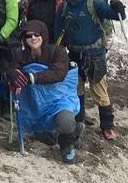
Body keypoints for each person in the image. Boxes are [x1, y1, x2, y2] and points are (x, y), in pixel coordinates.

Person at [54, 0, 126, 140]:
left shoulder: (93, 3)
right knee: (76, 89)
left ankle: (107, 126)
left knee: (99, 91)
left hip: (95, 55)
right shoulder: (64, 7)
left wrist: (118, 8)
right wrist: (57, 49)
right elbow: (58, 29)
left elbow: (115, 15)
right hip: (74, 54)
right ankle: (78, 121)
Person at [6, 20, 84, 164]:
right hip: (37, 104)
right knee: (45, 138)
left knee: (65, 123)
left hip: (60, 99)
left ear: (44, 35)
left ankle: (67, 143)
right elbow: (13, 69)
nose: (33, 38)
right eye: (29, 36)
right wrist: (12, 74)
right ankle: (72, 131)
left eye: (37, 34)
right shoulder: (21, 55)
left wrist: (33, 77)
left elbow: (58, 74)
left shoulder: (57, 52)